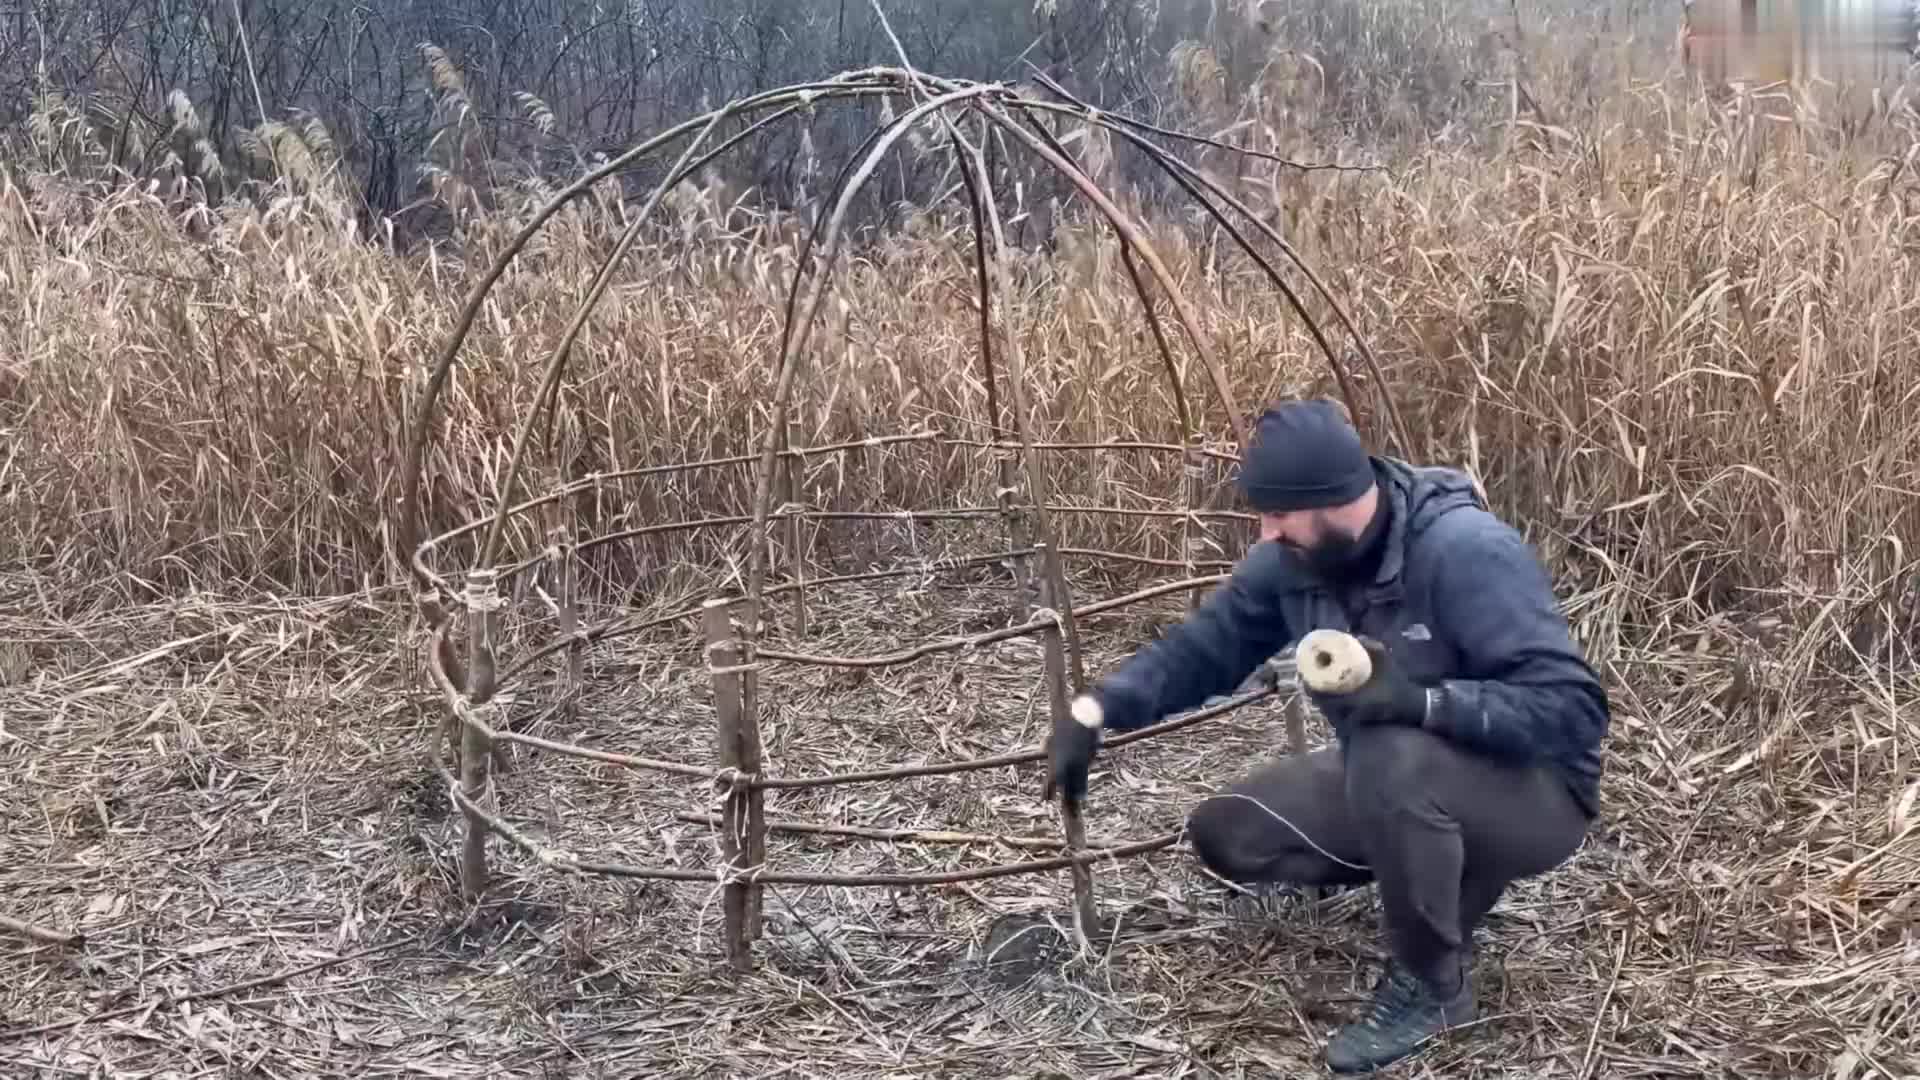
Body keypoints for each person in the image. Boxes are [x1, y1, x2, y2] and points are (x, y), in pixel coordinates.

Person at [1046, 399, 1610, 1074]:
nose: (1265, 532)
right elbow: (1201, 653)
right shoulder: (1293, 564)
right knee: (1229, 833)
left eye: (1278, 514)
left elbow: (1572, 709)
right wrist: (1097, 710)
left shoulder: (1464, 552)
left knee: (1390, 749)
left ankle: (1433, 986)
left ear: (1333, 499)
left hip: (1539, 795)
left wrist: (1427, 701)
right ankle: (1431, 865)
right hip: (1396, 776)